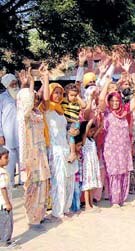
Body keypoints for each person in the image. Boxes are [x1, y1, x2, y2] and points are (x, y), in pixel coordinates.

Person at [16, 70, 51, 230]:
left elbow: (42, 97)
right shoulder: (25, 114)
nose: (35, 99)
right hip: (31, 155)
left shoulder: (38, 112)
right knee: (33, 185)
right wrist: (29, 84)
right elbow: (28, 101)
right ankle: (32, 218)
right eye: (33, 97)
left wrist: (43, 80)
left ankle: (41, 214)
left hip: (41, 153)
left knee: (43, 183)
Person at [99, 74, 135, 207]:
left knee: (123, 172)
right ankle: (115, 200)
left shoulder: (124, 112)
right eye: (112, 101)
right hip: (111, 149)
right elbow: (101, 99)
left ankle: (122, 199)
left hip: (124, 148)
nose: (115, 103)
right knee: (114, 173)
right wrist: (107, 83)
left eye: (117, 101)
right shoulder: (107, 113)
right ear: (109, 101)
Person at [41, 66, 74, 220]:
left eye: (61, 93)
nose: (59, 95)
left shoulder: (61, 110)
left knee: (68, 179)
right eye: (56, 92)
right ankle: (57, 211)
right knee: (58, 180)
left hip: (65, 148)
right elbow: (45, 99)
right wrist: (46, 77)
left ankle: (65, 208)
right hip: (54, 149)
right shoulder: (47, 108)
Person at [0, 73, 20, 186]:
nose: (14, 85)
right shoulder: (2, 98)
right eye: (12, 84)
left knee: (22, 157)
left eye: (15, 83)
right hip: (8, 133)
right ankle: (9, 182)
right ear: (7, 85)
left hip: (21, 132)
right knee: (9, 159)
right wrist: (0, 134)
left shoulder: (21, 94)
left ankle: (24, 181)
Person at [80, 120, 102, 212]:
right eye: (91, 131)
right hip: (87, 165)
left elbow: (99, 128)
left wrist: (100, 119)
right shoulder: (84, 139)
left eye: (93, 131)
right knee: (87, 186)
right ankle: (87, 205)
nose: (92, 132)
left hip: (93, 165)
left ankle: (91, 204)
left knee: (92, 185)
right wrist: (94, 118)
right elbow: (87, 127)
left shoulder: (92, 139)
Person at [61, 83, 87, 162]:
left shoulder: (77, 102)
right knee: (67, 137)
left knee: (71, 135)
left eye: (75, 95)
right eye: (71, 95)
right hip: (67, 121)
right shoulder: (63, 101)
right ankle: (75, 153)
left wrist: (78, 97)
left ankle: (73, 153)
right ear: (67, 94)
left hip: (74, 122)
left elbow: (84, 106)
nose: (74, 97)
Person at [0, 146, 18, 249]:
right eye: (6, 157)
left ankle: (3, 240)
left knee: (2, 223)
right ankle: (5, 242)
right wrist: (7, 203)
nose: (8, 160)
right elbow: (3, 189)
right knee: (7, 224)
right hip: (3, 204)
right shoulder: (2, 173)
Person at [70, 135, 83, 213]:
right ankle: (76, 208)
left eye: (81, 145)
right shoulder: (72, 155)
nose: (80, 147)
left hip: (80, 176)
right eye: (78, 145)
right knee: (76, 192)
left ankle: (76, 207)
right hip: (74, 177)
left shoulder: (80, 153)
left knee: (78, 192)